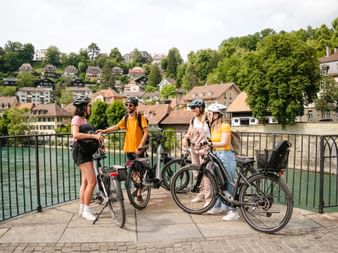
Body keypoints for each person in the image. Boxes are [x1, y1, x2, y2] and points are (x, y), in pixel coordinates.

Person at [97, 96, 149, 201]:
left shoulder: (140, 117)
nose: (128, 107)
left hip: (138, 149)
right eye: (127, 105)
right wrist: (103, 131)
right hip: (129, 149)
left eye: (130, 105)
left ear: (135, 106)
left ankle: (139, 193)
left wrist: (141, 145)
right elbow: (116, 127)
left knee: (140, 171)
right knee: (133, 172)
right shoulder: (125, 118)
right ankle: (138, 188)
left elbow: (146, 132)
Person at [71, 95, 104, 221]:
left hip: (85, 152)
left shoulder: (83, 120)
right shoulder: (76, 119)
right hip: (81, 153)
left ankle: (82, 207)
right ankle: (86, 210)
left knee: (85, 182)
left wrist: (97, 137)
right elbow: (76, 134)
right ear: (84, 107)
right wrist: (93, 137)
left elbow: (86, 135)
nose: (90, 108)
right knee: (92, 181)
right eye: (89, 105)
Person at [205, 103, 240, 221]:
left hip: (226, 156)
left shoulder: (225, 126)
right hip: (216, 155)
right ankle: (218, 206)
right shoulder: (213, 127)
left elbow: (225, 142)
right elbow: (214, 141)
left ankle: (233, 211)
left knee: (229, 183)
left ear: (217, 115)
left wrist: (210, 144)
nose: (208, 116)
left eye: (209, 114)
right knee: (217, 182)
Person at [182, 99, 212, 207]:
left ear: (201, 108)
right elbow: (189, 132)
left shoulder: (208, 119)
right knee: (196, 173)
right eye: (191, 108)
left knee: (206, 175)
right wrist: (185, 138)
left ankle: (208, 199)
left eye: (194, 108)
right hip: (194, 149)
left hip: (205, 150)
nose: (192, 110)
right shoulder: (193, 120)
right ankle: (201, 194)